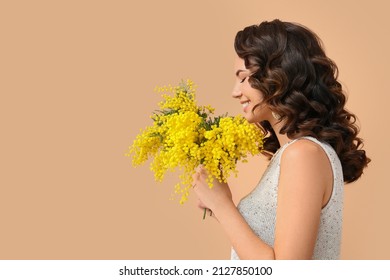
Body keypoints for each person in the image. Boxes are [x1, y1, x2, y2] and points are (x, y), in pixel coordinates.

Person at [192, 19, 370, 260]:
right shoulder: (293, 154)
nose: (235, 92)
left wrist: (223, 205)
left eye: (244, 78)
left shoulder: (304, 155)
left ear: (278, 77)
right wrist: (216, 206)